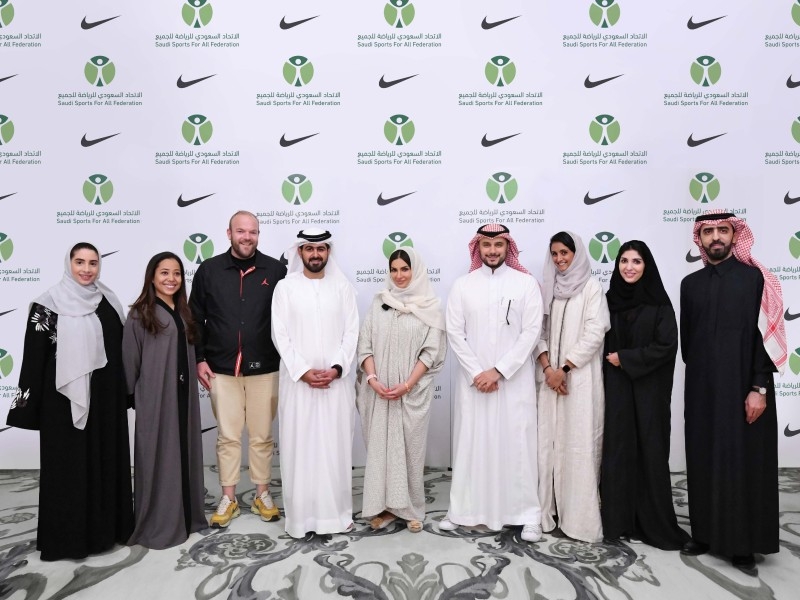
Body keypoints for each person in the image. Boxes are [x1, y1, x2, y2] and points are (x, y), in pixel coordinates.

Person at [6, 243, 133, 561]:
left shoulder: (109, 301)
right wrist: (25, 407)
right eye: (80, 262)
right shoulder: (46, 305)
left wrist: (127, 394)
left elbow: (121, 353)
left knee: (104, 463)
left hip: (105, 404)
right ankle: (68, 540)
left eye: (93, 263)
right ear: (69, 263)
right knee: (69, 471)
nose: (87, 269)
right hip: (62, 404)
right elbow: (33, 360)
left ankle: (107, 533)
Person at [680, 211, 785, 576]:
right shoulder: (690, 284)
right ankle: (705, 534)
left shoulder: (756, 279)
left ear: (735, 234)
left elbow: (766, 343)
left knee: (744, 464)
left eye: (722, 230)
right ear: (700, 239)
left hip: (746, 389)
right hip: (703, 391)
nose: (715, 238)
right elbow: (687, 345)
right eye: (708, 232)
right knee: (704, 458)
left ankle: (743, 544)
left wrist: (758, 387)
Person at [440, 223, 543, 542]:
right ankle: (463, 511)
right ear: (478, 248)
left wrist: (497, 371)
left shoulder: (526, 284)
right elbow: (455, 332)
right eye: (486, 245)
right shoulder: (462, 286)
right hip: (474, 384)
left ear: (508, 247)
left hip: (513, 382)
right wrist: (477, 372)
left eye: (499, 244)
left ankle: (527, 515)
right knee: (473, 442)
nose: (493, 250)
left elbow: (531, 333)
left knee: (518, 445)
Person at [189, 211, 287, 528]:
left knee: (261, 437)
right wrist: (199, 358)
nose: (247, 237)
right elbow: (195, 318)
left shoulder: (276, 270)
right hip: (221, 368)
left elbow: (288, 319)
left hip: (265, 368)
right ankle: (229, 497)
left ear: (259, 235)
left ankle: (261, 494)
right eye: (241, 231)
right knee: (228, 437)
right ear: (228, 233)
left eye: (253, 232)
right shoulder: (209, 270)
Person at [600, 240, 689, 550]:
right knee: (618, 452)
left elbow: (666, 347)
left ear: (646, 266)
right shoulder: (608, 300)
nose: (629, 267)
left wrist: (624, 358)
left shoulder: (660, 304)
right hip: (618, 391)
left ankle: (652, 524)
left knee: (650, 452)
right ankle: (618, 522)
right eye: (624, 260)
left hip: (649, 391)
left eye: (636, 261)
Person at [271, 229, 359, 538]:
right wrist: (303, 370)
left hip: (336, 385)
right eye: (309, 249)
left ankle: (337, 515)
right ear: (299, 252)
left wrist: (336, 368)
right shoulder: (285, 288)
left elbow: (352, 333)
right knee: (300, 448)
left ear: (328, 252)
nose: (315, 254)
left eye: (321, 248)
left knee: (334, 449)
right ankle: (301, 519)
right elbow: (279, 334)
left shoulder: (343, 287)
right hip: (298, 385)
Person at [357, 247, 446, 533]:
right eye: (394, 269)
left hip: (411, 392)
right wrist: (373, 380)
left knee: (410, 451)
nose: (399, 275)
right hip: (379, 393)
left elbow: (430, 352)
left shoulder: (430, 307)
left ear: (415, 270)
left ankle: (410, 508)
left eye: (404, 269)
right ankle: (382, 508)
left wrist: (407, 385)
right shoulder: (379, 303)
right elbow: (365, 345)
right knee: (380, 451)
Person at [123, 252, 207, 548]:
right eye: (164, 273)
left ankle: (188, 517)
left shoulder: (183, 310)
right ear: (152, 277)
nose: (171, 279)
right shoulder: (140, 313)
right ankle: (158, 522)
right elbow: (130, 360)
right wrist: (136, 397)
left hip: (183, 399)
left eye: (177, 273)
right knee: (158, 457)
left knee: (183, 453)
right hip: (156, 398)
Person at [535, 231, 610, 543]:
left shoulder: (591, 288)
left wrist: (564, 368)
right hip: (550, 381)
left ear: (576, 253)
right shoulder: (547, 289)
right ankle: (546, 512)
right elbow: (536, 331)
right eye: (554, 254)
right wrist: (548, 369)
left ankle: (579, 519)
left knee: (579, 445)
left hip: (578, 381)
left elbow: (596, 331)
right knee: (547, 446)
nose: (560, 259)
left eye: (565, 253)